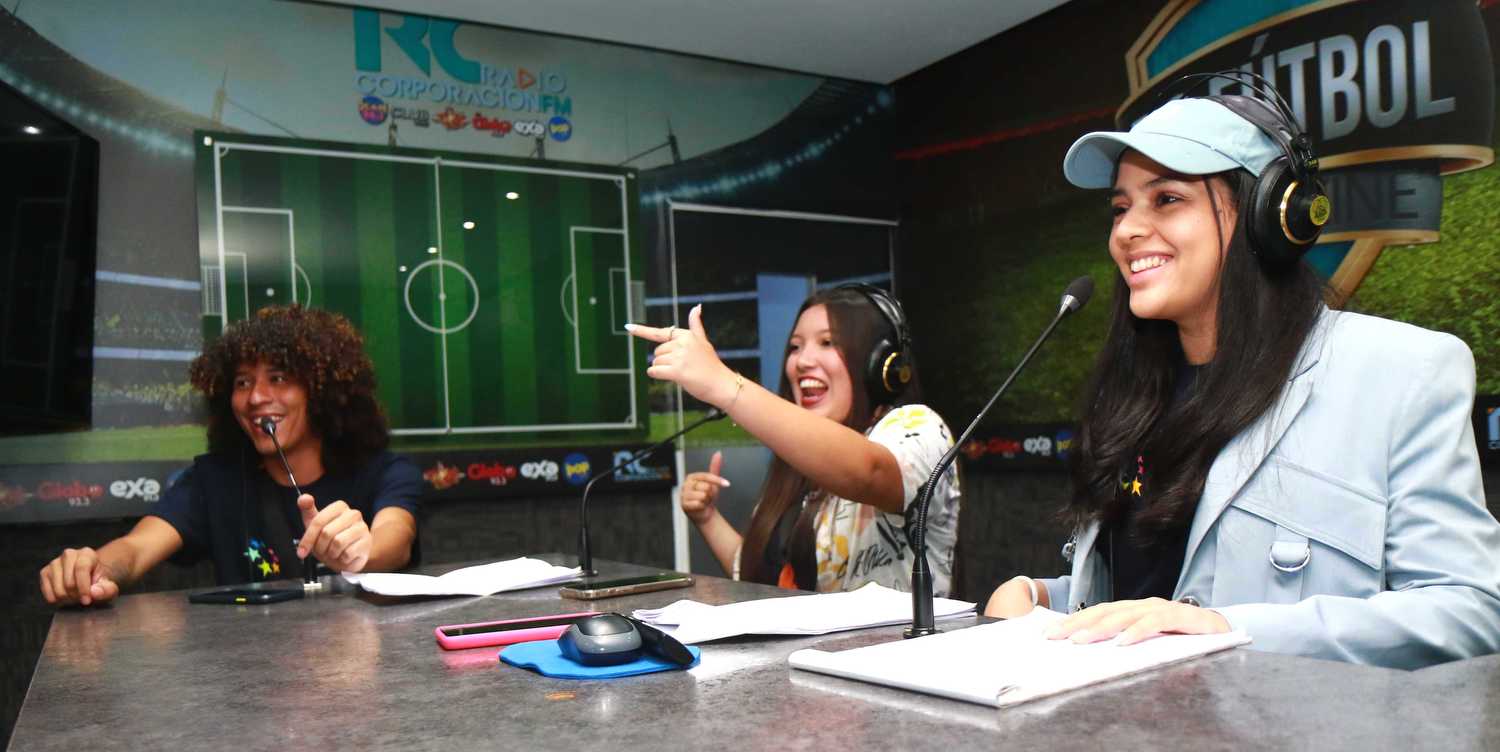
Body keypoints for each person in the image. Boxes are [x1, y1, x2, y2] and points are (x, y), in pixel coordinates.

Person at [983, 91, 1500, 668]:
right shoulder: (1131, 398)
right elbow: (1149, 600)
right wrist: (1046, 599)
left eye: (1167, 199)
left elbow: (1472, 610)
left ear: (1268, 216)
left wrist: (1230, 631)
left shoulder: (1403, 373)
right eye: (1120, 208)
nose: (1127, 230)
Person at [40, 305, 422, 606]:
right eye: (242, 382)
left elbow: (396, 539)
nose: (255, 397)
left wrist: (361, 552)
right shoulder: (213, 480)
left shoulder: (385, 471)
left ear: (322, 392)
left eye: (278, 378)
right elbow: (136, 549)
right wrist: (93, 570)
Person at [627, 285, 962, 595]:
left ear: (881, 365)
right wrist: (707, 518)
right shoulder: (800, 467)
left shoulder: (919, 427)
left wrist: (724, 384)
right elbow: (763, 579)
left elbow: (869, 472)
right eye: (795, 347)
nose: (802, 361)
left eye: (827, 343)